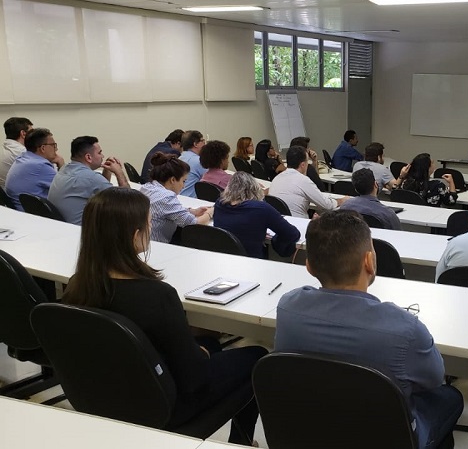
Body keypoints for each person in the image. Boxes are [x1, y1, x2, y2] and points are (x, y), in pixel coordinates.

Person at [62, 187, 267, 446]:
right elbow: (195, 379)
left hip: (106, 395)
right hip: (165, 406)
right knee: (256, 357)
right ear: (136, 236)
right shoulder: (157, 295)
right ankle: (241, 440)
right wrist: (201, 353)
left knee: (210, 343)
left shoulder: (76, 287)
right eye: (149, 224)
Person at [274, 210, 464, 449]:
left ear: (309, 267)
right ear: (369, 261)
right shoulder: (406, 329)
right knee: (451, 397)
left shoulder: (287, 307)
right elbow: (434, 379)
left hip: (311, 428)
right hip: (389, 438)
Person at [214, 171, 300, 259]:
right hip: (253, 265)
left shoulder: (219, 204)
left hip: (223, 261)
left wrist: (257, 230)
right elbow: (293, 234)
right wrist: (274, 238)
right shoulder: (261, 208)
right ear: (254, 189)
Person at [48, 136, 130, 225]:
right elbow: (128, 202)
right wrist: (119, 172)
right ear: (88, 157)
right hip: (82, 232)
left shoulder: (63, 169)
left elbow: (102, 194)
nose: (102, 156)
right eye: (99, 153)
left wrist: (107, 171)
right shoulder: (92, 178)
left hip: (61, 226)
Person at [140, 153, 211, 243]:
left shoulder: (147, 187)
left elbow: (165, 209)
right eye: (183, 181)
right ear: (173, 180)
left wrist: (192, 211)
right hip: (156, 246)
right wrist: (209, 213)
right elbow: (193, 224)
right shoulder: (167, 197)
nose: (184, 186)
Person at [268, 146, 346, 218]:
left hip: (280, 225)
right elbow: (327, 205)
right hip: (299, 225)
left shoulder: (277, 179)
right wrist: (341, 200)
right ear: (303, 165)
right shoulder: (303, 181)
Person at [5, 128, 64, 210]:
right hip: (33, 215)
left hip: (18, 211)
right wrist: (62, 164)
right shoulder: (41, 166)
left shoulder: (23, 157)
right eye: (53, 145)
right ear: (43, 148)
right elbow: (65, 189)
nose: (56, 149)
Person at [0, 117, 33, 188]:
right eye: (31, 132)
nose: (34, 136)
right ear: (23, 134)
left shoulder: (6, 148)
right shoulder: (22, 152)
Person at [178, 130, 207, 198]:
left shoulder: (180, 158)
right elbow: (213, 178)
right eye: (202, 141)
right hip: (192, 201)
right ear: (195, 144)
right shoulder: (198, 161)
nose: (204, 144)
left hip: (180, 198)